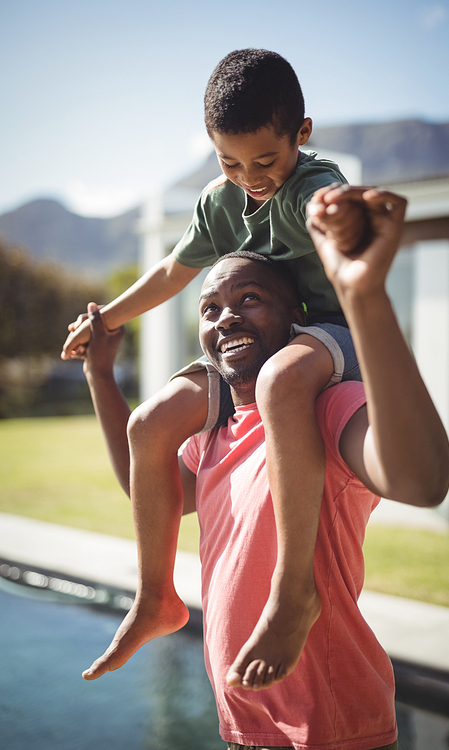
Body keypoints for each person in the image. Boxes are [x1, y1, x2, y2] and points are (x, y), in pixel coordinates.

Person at [80, 186, 449, 750]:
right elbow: (147, 490)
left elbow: (420, 481)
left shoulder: (325, 410)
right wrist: (101, 377)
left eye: (250, 298)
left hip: (332, 728)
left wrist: (364, 297)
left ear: (296, 319)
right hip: (243, 728)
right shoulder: (212, 437)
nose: (226, 317)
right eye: (209, 308)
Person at [61, 48, 370, 686]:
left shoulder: (314, 186)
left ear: (301, 136)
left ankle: (294, 590)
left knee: (284, 380)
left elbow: (340, 224)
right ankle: (156, 595)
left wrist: (345, 224)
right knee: (147, 423)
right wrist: (106, 320)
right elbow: (173, 272)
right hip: (249, 347)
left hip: (329, 336)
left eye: (266, 159)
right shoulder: (218, 203)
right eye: (230, 161)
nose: (251, 176)